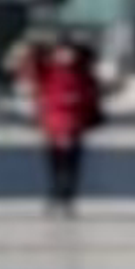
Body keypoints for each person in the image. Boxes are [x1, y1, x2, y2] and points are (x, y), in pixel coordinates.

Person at [32, 26, 102, 215]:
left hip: (73, 124)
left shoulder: (82, 73)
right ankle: (55, 194)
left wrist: (77, 101)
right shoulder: (49, 71)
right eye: (61, 52)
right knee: (54, 163)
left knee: (71, 164)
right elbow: (33, 66)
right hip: (53, 124)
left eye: (68, 52)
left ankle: (68, 197)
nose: (65, 56)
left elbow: (91, 95)